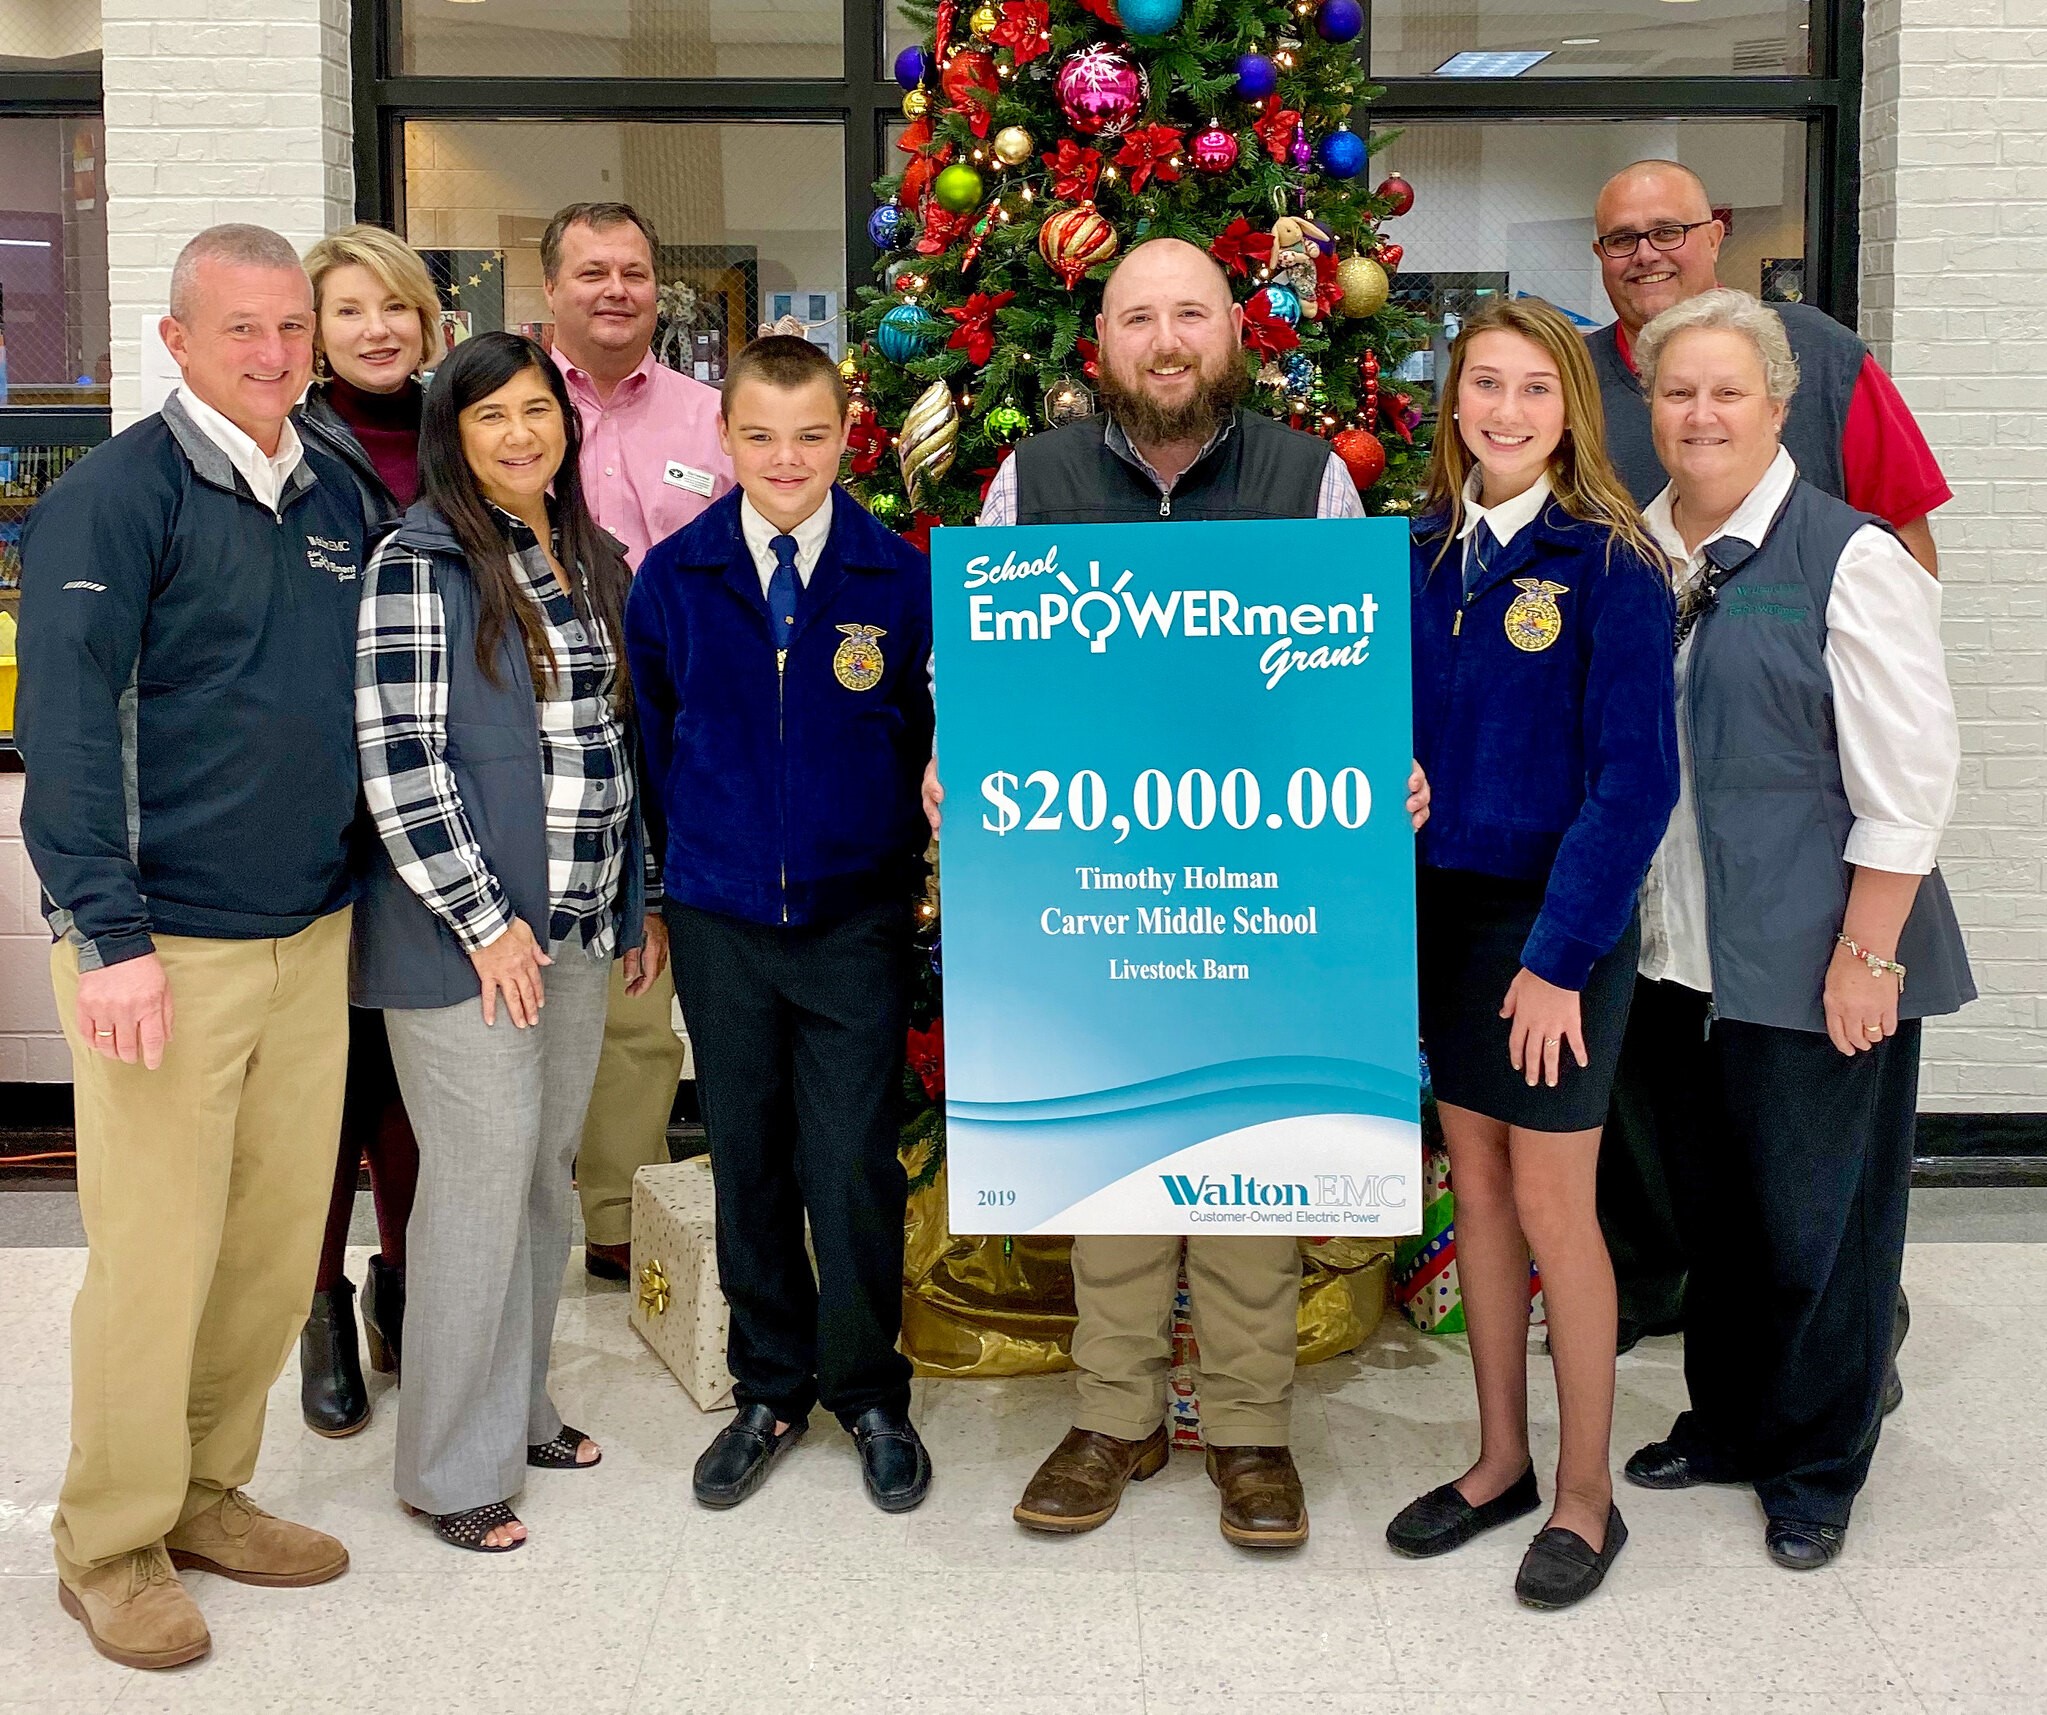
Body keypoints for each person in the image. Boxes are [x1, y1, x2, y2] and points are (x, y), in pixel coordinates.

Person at [931, 237, 1429, 1549]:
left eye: (1190, 315)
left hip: (1256, 876)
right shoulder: (1029, 477)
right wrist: (956, 749)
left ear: (1230, 333)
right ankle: (1114, 1414)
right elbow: (968, 658)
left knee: (1245, 1151)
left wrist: (1384, 769)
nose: (1165, 340)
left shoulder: (1304, 474)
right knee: (1109, 1161)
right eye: (1138, 316)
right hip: (1090, 875)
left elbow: (1351, 668)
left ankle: (1251, 1429)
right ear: (1097, 341)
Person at [17, 224, 362, 1669]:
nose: (275, 353)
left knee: (273, 1250)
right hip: (159, 946)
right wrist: (111, 933)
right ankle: (107, 1539)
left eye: (292, 327)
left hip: (309, 930)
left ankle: (211, 1487)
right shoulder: (116, 497)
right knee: (157, 1255)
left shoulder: (335, 487)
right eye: (242, 330)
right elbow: (70, 730)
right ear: (176, 340)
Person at [1613, 290, 1971, 1570]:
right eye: (1675, 392)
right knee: (1716, 1213)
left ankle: (1816, 1459)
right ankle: (1725, 1420)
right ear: (1647, 409)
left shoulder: (1850, 555)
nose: (1699, 414)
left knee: (1819, 1220)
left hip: (1820, 961)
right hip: (1675, 957)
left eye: (1726, 391)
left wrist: (1868, 952)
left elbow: (1909, 776)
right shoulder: (1637, 551)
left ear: (1778, 403)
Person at [1583, 158, 1951, 1356]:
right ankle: (1732, 1397)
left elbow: (1906, 545)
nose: (1645, 252)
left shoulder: (1827, 368)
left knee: (1814, 1190)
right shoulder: (1589, 408)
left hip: (1809, 875)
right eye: (1619, 238)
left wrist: (1868, 938)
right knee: (1709, 1171)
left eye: (1668, 230)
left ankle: (1829, 1411)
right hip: (1673, 885)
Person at [1383, 298, 1678, 1608]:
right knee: (1482, 1196)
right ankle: (1498, 1458)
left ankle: (1584, 1495)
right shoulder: (1414, 555)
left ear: (1571, 410)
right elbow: (1361, 716)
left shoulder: (1608, 562)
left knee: (1557, 1205)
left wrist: (1557, 957)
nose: (1502, 412)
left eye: (1532, 390)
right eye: (1481, 385)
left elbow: (1634, 785)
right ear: (1451, 401)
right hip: (1444, 917)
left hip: (1555, 927)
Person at [353, 331, 664, 1551]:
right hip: (467, 942)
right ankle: (448, 1465)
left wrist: (630, 900)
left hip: (578, 924)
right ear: (452, 435)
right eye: (491, 417)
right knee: (477, 1191)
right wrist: (485, 924)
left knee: (541, 1175)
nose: (521, 434)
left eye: (539, 411)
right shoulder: (415, 564)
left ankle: (519, 1405)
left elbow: (615, 750)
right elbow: (399, 765)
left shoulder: (590, 558)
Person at [626, 335, 936, 1513]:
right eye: (759, 435)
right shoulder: (674, 579)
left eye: (810, 436)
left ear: (845, 438)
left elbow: (924, 737)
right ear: (725, 440)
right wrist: (665, 886)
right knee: (746, 1151)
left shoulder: (897, 580)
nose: (786, 457)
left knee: (851, 1159)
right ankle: (769, 1385)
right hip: (720, 914)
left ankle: (867, 1389)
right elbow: (657, 742)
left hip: (853, 914)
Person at [542, 200, 734, 1281]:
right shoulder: (510, 406)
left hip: (679, 730)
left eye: (635, 271)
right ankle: (519, 1210)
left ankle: (619, 1222)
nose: (616, 289)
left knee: (637, 992)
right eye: (592, 272)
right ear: (551, 290)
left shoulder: (710, 419)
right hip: (542, 730)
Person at [292, 222, 442, 1437]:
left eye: (396, 306)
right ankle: (322, 1304)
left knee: (410, 1078)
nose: (378, 329)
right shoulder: (288, 444)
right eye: (351, 311)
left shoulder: (461, 431)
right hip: (318, 807)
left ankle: (405, 1284)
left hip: (435, 797)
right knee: (323, 1089)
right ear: (315, 327)